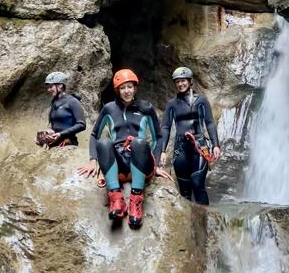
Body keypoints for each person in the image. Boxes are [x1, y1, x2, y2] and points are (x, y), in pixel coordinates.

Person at [77, 69, 172, 229]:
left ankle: (136, 199)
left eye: (129, 87)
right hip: (119, 162)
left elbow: (158, 137)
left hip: (140, 160)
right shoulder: (109, 109)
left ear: (135, 88)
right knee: (104, 143)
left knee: (139, 142)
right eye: (122, 88)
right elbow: (94, 135)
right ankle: (116, 199)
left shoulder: (146, 108)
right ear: (117, 90)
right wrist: (93, 161)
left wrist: (157, 166)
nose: (127, 91)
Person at [161, 66, 221, 205]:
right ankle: (188, 225)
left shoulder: (201, 101)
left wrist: (216, 145)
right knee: (184, 190)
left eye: (183, 81)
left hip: (199, 146)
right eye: (177, 82)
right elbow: (165, 127)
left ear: (189, 81)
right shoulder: (172, 104)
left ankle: (205, 221)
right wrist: (163, 151)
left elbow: (210, 123)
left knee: (197, 183)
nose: (180, 84)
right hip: (180, 149)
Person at [35, 71, 86, 148]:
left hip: (68, 144)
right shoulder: (54, 103)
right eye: (48, 87)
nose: (48, 90)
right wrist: (44, 138)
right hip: (54, 146)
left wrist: (60, 134)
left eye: (51, 86)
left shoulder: (72, 101)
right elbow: (55, 126)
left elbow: (81, 124)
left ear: (60, 86)